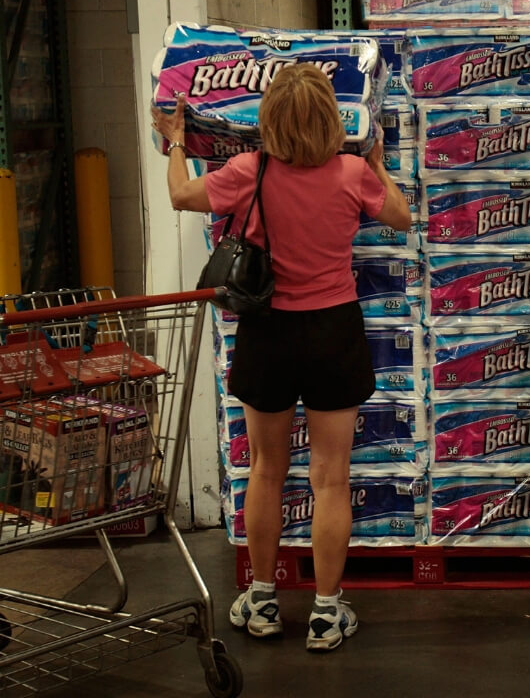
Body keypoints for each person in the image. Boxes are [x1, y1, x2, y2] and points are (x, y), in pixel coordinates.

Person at [151, 63, 411, 652]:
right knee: (331, 476)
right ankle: (326, 612)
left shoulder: (250, 170)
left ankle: (263, 599)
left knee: (267, 470)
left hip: (267, 332)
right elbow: (400, 215)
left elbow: (180, 195)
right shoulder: (351, 173)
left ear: (268, 120)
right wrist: (377, 163)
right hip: (334, 332)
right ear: (330, 119)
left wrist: (176, 142)